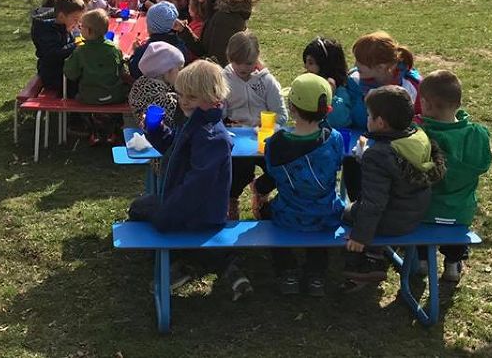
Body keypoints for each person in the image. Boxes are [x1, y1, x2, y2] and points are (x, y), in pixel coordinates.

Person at [127, 59, 252, 301]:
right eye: (181, 94)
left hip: (200, 213)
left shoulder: (212, 136)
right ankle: (206, 262)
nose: (184, 101)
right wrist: (155, 129)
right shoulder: (196, 123)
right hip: (185, 203)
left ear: (213, 97)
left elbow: (197, 187)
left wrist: (168, 212)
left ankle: (183, 262)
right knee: (143, 207)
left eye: (192, 97)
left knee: (140, 209)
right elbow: (174, 149)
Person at [251, 73, 345, 297]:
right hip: (326, 213)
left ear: (292, 108)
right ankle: (316, 276)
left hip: (288, 215)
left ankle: (287, 271)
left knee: (268, 214)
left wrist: (258, 189)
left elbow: (273, 177)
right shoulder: (336, 139)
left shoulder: (276, 144)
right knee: (321, 226)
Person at [342, 85, 445, 283]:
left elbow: (374, 203)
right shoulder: (418, 137)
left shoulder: (378, 154)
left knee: (346, 212)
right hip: (414, 215)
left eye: (369, 115)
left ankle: (369, 260)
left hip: (391, 220)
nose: (367, 119)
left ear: (380, 123)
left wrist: (360, 237)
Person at [417, 70, 492, 282]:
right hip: (462, 211)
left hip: (426, 211)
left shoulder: (421, 134)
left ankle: (422, 260)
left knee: (420, 219)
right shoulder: (477, 134)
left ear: (426, 104)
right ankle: (453, 264)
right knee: (456, 226)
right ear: (458, 103)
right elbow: (484, 163)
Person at [342, 31, 422, 200]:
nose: (355, 65)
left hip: (401, 150)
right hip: (366, 141)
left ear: (380, 68)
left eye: (361, 63)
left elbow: (417, 122)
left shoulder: (410, 86)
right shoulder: (356, 80)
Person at [223, 31, 287, 220]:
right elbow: (220, 111)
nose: (244, 68)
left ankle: (260, 189)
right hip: (237, 138)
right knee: (237, 174)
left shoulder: (266, 82)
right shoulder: (224, 79)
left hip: (264, 138)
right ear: (230, 58)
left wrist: (269, 125)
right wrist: (227, 121)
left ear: (257, 58)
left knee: (279, 169)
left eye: (249, 63)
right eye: (238, 63)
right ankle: (231, 200)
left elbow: (281, 114)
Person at [64, 8, 129, 145]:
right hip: (114, 95)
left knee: (78, 97)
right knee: (116, 92)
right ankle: (112, 128)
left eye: (81, 27)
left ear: (89, 31)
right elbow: (122, 71)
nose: (80, 29)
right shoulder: (114, 49)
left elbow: (70, 73)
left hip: (89, 96)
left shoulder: (80, 51)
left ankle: (93, 129)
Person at [175, 0, 256, 66]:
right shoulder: (215, 13)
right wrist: (183, 30)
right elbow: (204, 50)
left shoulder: (224, 18)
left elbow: (218, 60)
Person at [302, 37, 359, 133]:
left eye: (311, 63)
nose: (306, 66)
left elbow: (340, 123)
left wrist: (330, 97)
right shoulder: (311, 84)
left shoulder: (342, 91)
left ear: (325, 64)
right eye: (306, 62)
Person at [31, 0, 85, 92]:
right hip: (53, 75)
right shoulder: (46, 30)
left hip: (66, 70)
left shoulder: (65, 26)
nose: (77, 24)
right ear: (61, 16)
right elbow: (53, 54)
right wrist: (76, 45)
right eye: (75, 20)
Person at [128, 41, 186, 132]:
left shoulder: (141, 82)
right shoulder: (164, 99)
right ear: (166, 71)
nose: (181, 73)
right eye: (179, 69)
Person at [128, 1, 188, 78]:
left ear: (151, 26)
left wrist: (135, 52)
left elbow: (134, 72)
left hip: (149, 87)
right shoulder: (181, 44)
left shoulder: (146, 50)